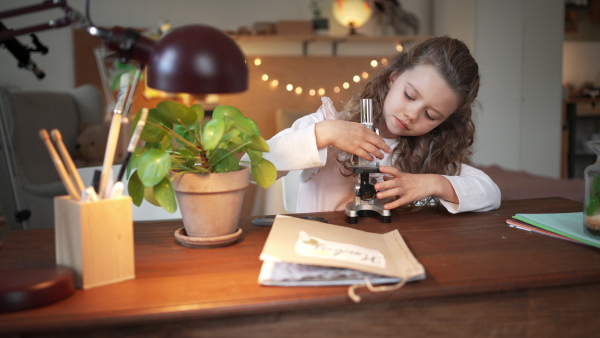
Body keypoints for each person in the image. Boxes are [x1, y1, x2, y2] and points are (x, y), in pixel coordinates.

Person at [246, 36, 501, 214]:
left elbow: (491, 193)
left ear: (445, 122)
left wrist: (433, 184)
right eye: (410, 96)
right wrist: (322, 134)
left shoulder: (430, 152)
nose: (412, 114)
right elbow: (250, 167)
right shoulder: (328, 124)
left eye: (431, 115)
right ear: (393, 78)